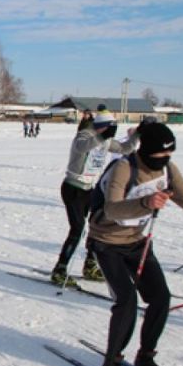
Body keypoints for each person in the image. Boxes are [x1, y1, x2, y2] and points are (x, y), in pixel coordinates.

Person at [87, 122, 183, 366]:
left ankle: (146, 358)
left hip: (137, 241)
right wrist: (146, 203)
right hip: (106, 242)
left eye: (169, 155)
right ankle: (112, 364)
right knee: (126, 301)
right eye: (159, 155)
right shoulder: (124, 167)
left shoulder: (168, 169)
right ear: (145, 149)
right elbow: (113, 209)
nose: (164, 160)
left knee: (160, 297)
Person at [50, 109, 140, 285]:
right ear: (100, 126)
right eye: (108, 127)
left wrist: (137, 134)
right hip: (73, 187)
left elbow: (125, 149)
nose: (110, 131)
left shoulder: (104, 140)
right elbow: (83, 146)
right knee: (77, 229)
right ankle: (60, 269)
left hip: (89, 189)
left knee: (95, 226)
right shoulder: (84, 135)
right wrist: (103, 136)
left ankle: (90, 265)